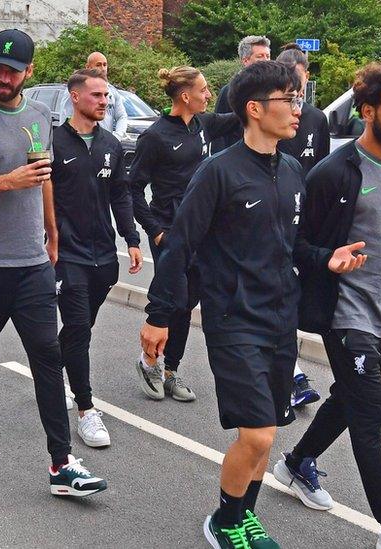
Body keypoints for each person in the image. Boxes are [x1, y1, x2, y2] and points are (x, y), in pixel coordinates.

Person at [140, 61, 366, 549]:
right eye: (290, 100)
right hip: (233, 319)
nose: (298, 110)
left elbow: (296, 246)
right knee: (258, 435)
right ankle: (224, 520)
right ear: (254, 108)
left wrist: (329, 259)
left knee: (272, 428)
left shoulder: (290, 171)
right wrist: (159, 317)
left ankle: (245, 516)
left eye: (299, 99)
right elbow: (179, 246)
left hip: (281, 317)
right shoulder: (217, 172)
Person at [0, 29, 108, 497]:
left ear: (29, 71)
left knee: (48, 357)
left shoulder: (37, 114)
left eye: (12, 69)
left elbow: (42, 172)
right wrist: (4, 182)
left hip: (30, 261)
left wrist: (51, 229)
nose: (3, 76)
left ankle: (61, 463)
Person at [274, 60, 381, 549]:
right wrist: (331, 260)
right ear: (367, 111)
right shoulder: (333, 173)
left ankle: (298, 463)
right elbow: (296, 244)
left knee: (349, 397)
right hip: (346, 312)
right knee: (370, 408)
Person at [129, 65, 240, 403]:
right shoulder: (155, 137)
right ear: (186, 96)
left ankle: (170, 371)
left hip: (201, 231)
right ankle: (149, 361)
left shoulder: (204, 125)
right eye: (204, 90)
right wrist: (156, 231)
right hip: (170, 231)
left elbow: (239, 117)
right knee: (173, 297)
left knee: (188, 302)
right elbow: (133, 189)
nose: (209, 95)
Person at [51, 68, 143, 447]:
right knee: (77, 328)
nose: (104, 102)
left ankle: (48, 369)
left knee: (80, 328)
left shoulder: (111, 144)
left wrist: (132, 239)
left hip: (103, 255)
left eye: (107, 96)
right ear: (75, 97)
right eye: (97, 96)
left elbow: (121, 195)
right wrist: (46, 238)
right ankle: (86, 410)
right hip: (66, 254)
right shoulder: (54, 142)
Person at [275, 43, 330, 409]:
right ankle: (291, 376)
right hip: (274, 221)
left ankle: (288, 372)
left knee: (293, 299)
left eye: (300, 85)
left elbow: (322, 171)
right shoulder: (269, 117)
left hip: (305, 223)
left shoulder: (317, 119)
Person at [212, 36, 272, 153]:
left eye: (268, 56)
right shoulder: (229, 91)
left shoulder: (275, 90)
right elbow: (218, 131)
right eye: (260, 56)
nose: (266, 60)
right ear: (245, 60)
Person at [60, 52, 128, 138]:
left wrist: (117, 137)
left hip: (105, 143)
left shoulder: (112, 91)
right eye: (98, 65)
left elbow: (122, 116)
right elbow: (65, 116)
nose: (103, 68)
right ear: (88, 67)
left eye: (105, 65)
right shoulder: (76, 89)